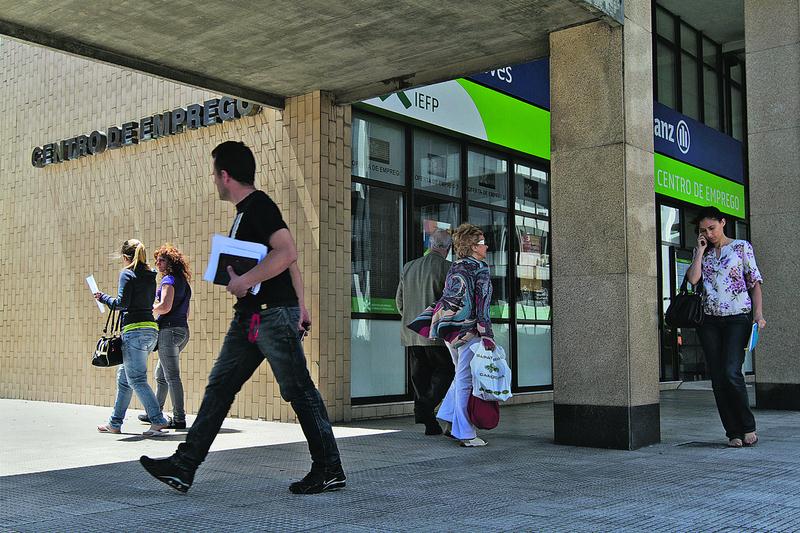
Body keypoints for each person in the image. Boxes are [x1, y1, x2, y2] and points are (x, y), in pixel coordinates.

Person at [140, 141, 343, 494]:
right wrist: (300, 304)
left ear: (225, 175)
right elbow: (287, 261)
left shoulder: (259, 206)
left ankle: (329, 468)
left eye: (214, 174)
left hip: (272, 316)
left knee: (299, 390)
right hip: (252, 318)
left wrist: (247, 281)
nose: (213, 180)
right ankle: (184, 466)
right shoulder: (246, 212)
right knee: (220, 387)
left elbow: (287, 252)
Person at [408, 223, 495, 447]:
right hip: (469, 330)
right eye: (482, 242)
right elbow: (482, 304)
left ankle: (449, 419)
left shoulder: (456, 266)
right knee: (466, 379)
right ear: (473, 246)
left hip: (449, 329)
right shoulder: (480, 268)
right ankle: (465, 434)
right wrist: (487, 334)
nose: (486, 246)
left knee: (459, 375)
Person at [686, 206, 765, 448]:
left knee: (731, 372)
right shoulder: (703, 252)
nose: (708, 234)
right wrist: (700, 252)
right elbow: (693, 279)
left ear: (723, 222)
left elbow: (754, 283)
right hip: (709, 321)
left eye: (712, 228)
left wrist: (758, 314)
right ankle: (733, 431)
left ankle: (748, 426)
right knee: (718, 378)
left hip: (737, 318)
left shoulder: (741, 247)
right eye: (703, 230)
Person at [94, 239, 169, 437]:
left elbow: (122, 304)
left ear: (126, 257)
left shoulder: (127, 273)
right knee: (124, 379)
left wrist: (103, 297)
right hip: (150, 331)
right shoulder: (151, 275)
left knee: (136, 379)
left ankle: (158, 420)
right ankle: (115, 423)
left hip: (134, 331)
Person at [396, 229, 455, 435]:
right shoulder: (448, 268)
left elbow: (399, 302)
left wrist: (411, 319)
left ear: (431, 245)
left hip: (411, 333)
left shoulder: (409, 267)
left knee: (420, 377)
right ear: (448, 248)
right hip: (435, 334)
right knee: (447, 370)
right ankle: (425, 406)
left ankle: (430, 424)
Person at [137, 244, 193, 430]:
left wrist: (148, 308)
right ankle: (155, 413)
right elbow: (186, 313)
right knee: (161, 375)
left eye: (161, 260)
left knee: (171, 376)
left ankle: (179, 418)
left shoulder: (168, 280)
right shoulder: (184, 283)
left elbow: (165, 307)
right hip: (182, 331)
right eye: (157, 261)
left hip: (169, 332)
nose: (158, 264)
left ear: (171, 263)